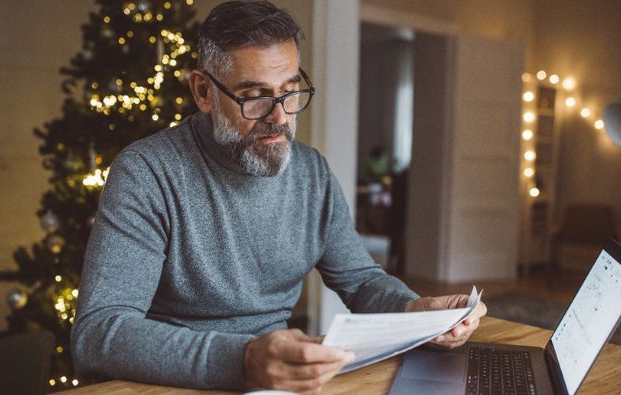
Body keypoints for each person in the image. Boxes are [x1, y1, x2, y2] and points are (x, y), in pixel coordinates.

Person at [71, 1, 487, 393]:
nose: (280, 116)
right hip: (169, 382)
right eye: (254, 97)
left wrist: (417, 312)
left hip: (279, 381)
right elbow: (99, 332)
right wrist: (245, 358)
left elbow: (361, 280)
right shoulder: (147, 173)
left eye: (290, 90)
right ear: (203, 92)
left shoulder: (312, 173)